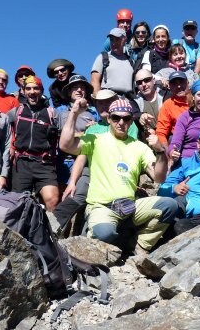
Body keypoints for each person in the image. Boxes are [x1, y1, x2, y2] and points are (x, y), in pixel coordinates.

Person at [59, 98, 177, 254]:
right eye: (116, 118)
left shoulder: (139, 147)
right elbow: (65, 145)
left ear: (131, 121)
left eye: (126, 118)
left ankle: (139, 245)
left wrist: (161, 152)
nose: (121, 122)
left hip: (130, 207)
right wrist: (74, 113)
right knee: (104, 233)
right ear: (109, 119)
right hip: (102, 207)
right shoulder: (96, 140)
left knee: (169, 206)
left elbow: (159, 178)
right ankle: (98, 233)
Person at [7, 75, 60, 210]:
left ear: (41, 91)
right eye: (28, 88)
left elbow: (65, 135)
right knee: (17, 203)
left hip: (44, 162)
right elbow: (0, 128)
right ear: (23, 91)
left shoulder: (52, 113)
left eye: (36, 88)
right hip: (21, 162)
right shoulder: (15, 112)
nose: (32, 92)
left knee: (52, 199)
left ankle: (51, 230)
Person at [55, 75, 99, 186]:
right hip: (65, 161)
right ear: (69, 92)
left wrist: (95, 129)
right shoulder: (60, 111)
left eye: (82, 87)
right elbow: (58, 136)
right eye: (75, 87)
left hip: (87, 161)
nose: (79, 90)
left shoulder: (94, 113)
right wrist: (85, 134)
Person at [168, 79, 200, 163]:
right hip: (188, 160)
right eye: (199, 95)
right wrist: (172, 152)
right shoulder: (184, 117)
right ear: (193, 96)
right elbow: (175, 143)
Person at [91, 28, 135, 98]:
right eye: (111, 40)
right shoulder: (103, 57)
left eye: (117, 39)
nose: (114, 43)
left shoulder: (130, 61)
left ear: (125, 40)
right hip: (108, 99)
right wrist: (97, 100)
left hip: (128, 101)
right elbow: (94, 81)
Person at [155, 71, 191, 146]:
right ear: (169, 87)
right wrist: (167, 153)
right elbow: (161, 133)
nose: (179, 86)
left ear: (187, 82)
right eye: (174, 84)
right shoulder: (167, 105)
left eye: (181, 82)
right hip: (180, 143)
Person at [134, 69, 164, 138]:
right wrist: (140, 115)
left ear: (153, 80)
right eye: (139, 82)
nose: (143, 84)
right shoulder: (135, 101)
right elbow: (133, 113)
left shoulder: (165, 95)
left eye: (147, 80)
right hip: (146, 140)